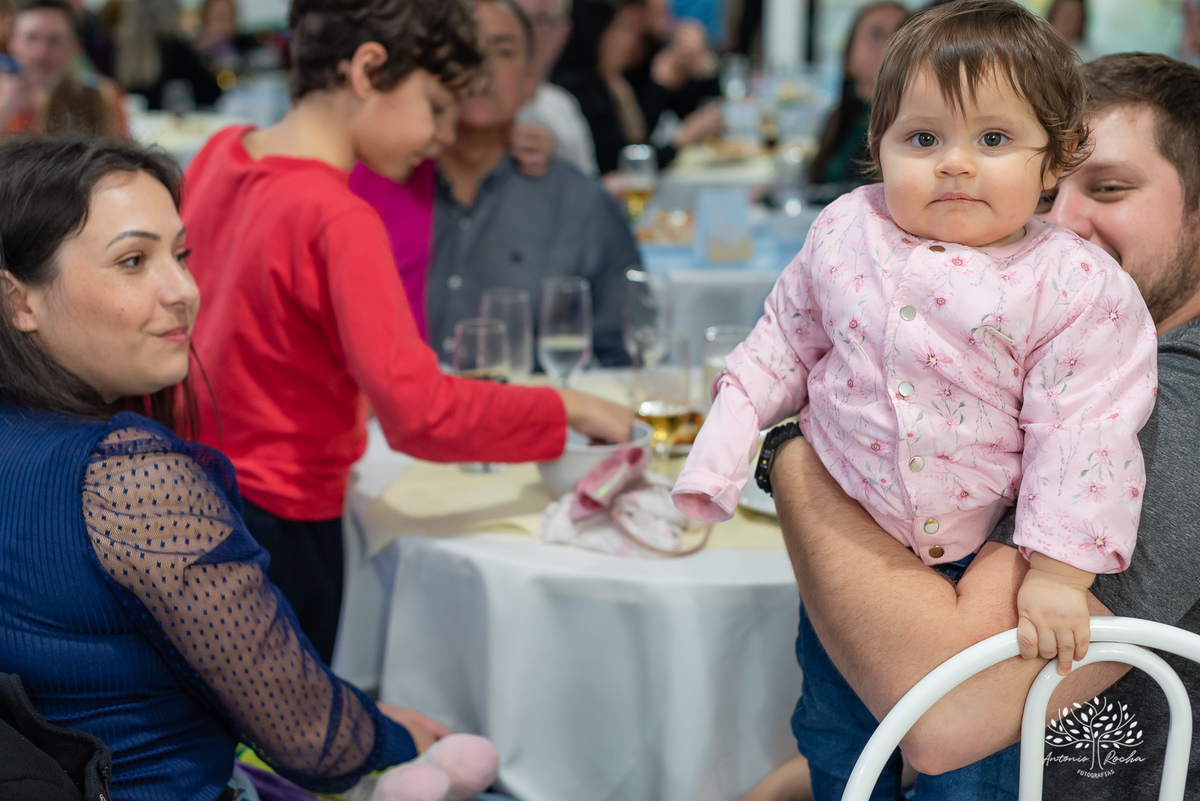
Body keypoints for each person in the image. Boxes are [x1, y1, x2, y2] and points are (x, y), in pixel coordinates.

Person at [674, 1, 1159, 796]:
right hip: (854, 546)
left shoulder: (1074, 284)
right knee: (834, 734)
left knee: (969, 777)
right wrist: (720, 456)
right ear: (879, 147)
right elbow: (781, 342)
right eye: (923, 138)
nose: (955, 163)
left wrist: (1061, 575)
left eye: (994, 139)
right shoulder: (844, 232)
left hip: (978, 557)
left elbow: (1085, 427)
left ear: (1053, 162)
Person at [0, 135, 454, 801]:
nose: (182, 289)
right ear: (19, 302)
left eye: (179, 255)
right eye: (133, 261)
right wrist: (401, 736)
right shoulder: (127, 478)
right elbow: (312, 739)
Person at [182, 0, 633, 665]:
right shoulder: (339, 217)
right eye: (436, 105)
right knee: (284, 744)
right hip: (283, 522)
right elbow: (420, 414)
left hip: (188, 491)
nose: (445, 135)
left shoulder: (220, 154)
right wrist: (569, 407)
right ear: (368, 70)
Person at [427, 0, 640, 367]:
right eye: (465, 49)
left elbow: (625, 357)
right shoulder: (384, 196)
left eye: (503, 51)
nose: (481, 66)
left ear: (530, 81)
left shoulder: (581, 206)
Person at [554, 0, 720, 175]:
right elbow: (624, 161)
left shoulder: (615, 81)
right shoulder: (581, 90)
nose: (628, 40)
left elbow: (689, 108)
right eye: (619, 29)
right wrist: (681, 140)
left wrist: (704, 70)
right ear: (596, 35)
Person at [807, 2, 907, 189]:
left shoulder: (902, 123)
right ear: (847, 58)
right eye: (877, 35)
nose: (890, 46)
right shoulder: (838, 118)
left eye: (900, 36)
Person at [0, 0, 125, 136]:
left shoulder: (101, 95)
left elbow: (119, 153)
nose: (41, 53)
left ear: (76, 46)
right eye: (31, 38)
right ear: (11, 42)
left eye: (55, 40)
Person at [512, 0, 598, 176]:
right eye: (519, 17)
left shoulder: (563, 104)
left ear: (564, 31)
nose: (527, 31)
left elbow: (589, 189)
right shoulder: (474, 104)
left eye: (541, 20)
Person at [117, 0, 221, 111]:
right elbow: (212, 93)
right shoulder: (176, 50)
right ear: (170, 14)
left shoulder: (122, 51)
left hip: (137, 123)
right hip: (169, 124)